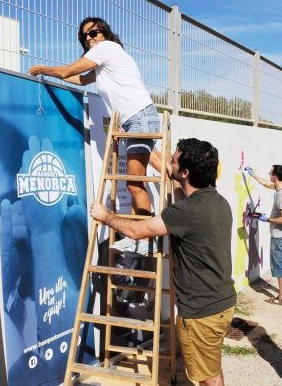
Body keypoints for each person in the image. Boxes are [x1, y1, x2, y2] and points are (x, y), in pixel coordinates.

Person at [90, 138, 237, 386]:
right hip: (221, 303)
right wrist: (171, 176)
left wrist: (106, 216)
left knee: (208, 378)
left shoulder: (185, 213)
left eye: (174, 161)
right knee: (210, 366)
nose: (169, 162)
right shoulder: (217, 202)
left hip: (202, 312)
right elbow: (185, 206)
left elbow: (138, 231)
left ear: (186, 172)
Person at [29, 17, 161, 255]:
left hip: (139, 117)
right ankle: (141, 237)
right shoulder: (102, 63)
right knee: (135, 183)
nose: (89, 38)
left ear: (105, 33)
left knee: (134, 183)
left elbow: (70, 70)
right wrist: (51, 78)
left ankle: (144, 238)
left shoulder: (107, 48)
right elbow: (79, 78)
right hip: (132, 120)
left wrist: (42, 69)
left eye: (94, 32)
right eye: (85, 36)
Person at [245, 165, 282, 306]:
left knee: (280, 267)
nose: (269, 173)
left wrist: (266, 219)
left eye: (270, 172)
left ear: (275, 176)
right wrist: (253, 175)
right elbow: (267, 184)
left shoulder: (281, 195)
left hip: (279, 236)